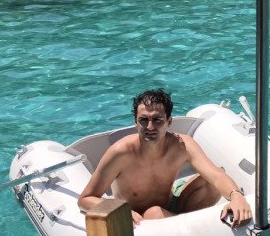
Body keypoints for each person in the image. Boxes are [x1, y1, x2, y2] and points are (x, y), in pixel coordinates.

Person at [79, 88, 253, 227]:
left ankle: (184, 228)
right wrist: (119, 212)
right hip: (135, 219)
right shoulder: (120, 153)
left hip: (172, 206)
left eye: (157, 120)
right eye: (143, 120)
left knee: (210, 181)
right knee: (154, 213)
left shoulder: (182, 145)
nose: (150, 127)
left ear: (169, 122)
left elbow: (216, 175)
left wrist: (236, 196)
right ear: (135, 122)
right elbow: (86, 199)